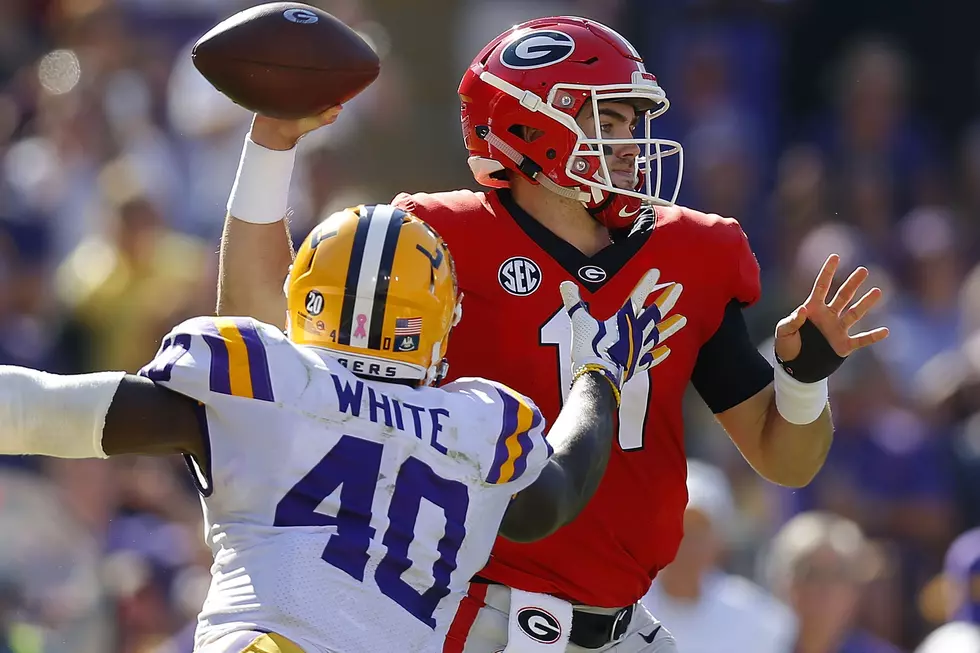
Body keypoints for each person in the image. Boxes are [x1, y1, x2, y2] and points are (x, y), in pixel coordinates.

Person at [214, 15, 890, 652]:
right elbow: (267, 324)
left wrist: (804, 381)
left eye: (632, 122)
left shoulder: (691, 254)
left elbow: (784, 459)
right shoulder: (438, 237)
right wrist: (272, 145)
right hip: (468, 617)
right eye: (609, 120)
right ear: (530, 125)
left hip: (623, 622)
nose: (630, 144)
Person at [0, 204, 683, 653]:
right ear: (438, 321)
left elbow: (43, 408)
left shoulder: (260, 375)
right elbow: (555, 497)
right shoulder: (480, 420)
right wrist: (599, 376)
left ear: (307, 297)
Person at [642, 459, 797, 653]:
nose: (685, 543)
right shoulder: (620, 610)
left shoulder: (757, 619)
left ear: (719, 541)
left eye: (698, 532)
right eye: (676, 527)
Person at [766, 512, 903, 653]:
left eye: (837, 575)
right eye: (811, 575)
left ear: (855, 593)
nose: (823, 590)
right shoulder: (753, 644)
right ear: (783, 583)